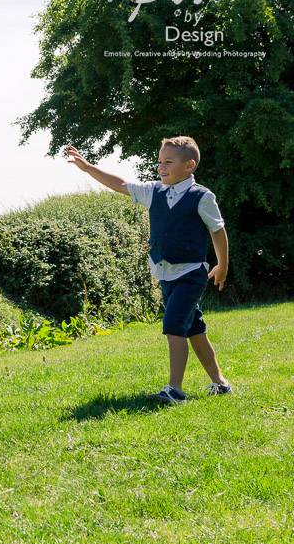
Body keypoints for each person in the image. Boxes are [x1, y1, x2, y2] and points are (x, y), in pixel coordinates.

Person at [66, 137, 231, 404]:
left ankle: (175, 391)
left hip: (191, 272)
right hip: (165, 274)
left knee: (174, 325)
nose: (160, 167)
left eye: (168, 162)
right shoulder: (153, 191)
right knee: (194, 328)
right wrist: (88, 168)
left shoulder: (202, 197)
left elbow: (218, 231)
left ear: (189, 166)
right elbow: (119, 184)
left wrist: (221, 265)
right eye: (159, 161)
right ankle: (220, 383)